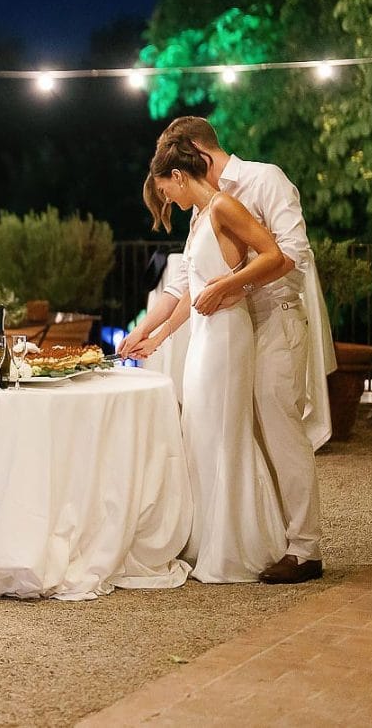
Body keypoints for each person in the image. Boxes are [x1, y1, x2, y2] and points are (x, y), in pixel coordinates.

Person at [122, 116, 332, 585]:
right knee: (236, 433)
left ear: (192, 151)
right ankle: (256, 534)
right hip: (231, 327)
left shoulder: (263, 178)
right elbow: (187, 286)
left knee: (279, 428)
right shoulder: (203, 207)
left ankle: (305, 547)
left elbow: (291, 252)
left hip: (274, 319)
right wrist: (150, 333)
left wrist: (234, 285)